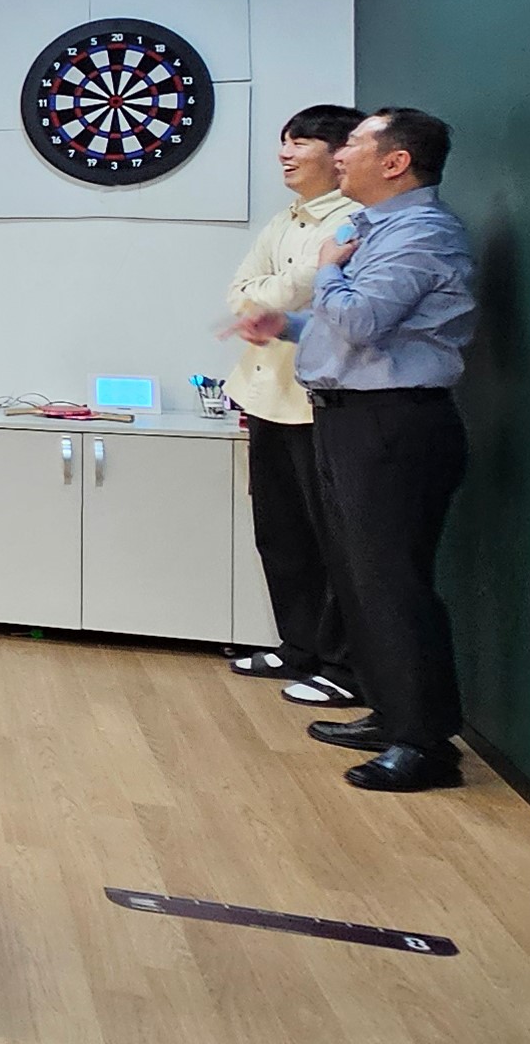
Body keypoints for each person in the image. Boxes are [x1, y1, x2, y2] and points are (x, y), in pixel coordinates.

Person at [231, 108, 476, 793]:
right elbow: (345, 324)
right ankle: (393, 714)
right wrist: (289, 323)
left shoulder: (422, 233)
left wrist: (328, 269)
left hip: (394, 423)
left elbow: (364, 318)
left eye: (358, 145)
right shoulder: (375, 228)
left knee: (393, 585)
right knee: (361, 579)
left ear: (395, 162)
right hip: (348, 417)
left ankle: (427, 746)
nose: (342, 156)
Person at [220, 105, 365, 707]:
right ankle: (297, 645)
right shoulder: (283, 220)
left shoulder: (355, 219)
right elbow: (240, 297)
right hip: (264, 395)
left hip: (316, 404)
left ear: (338, 155)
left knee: (333, 540)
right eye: (283, 141)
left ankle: (340, 662)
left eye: (298, 143)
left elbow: (300, 290)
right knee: (278, 534)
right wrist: (265, 300)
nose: (284, 153)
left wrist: (268, 300)